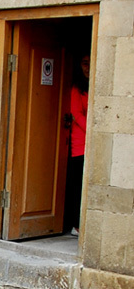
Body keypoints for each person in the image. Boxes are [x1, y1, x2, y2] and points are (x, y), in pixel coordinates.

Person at [65, 53, 90, 236]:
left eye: (91, 63)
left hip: (92, 144)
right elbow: (76, 113)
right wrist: (93, 131)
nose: (88, 67)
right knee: (77, 185)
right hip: (80, 143)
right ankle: (76, 224)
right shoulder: (77, 89)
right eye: (84, 63)